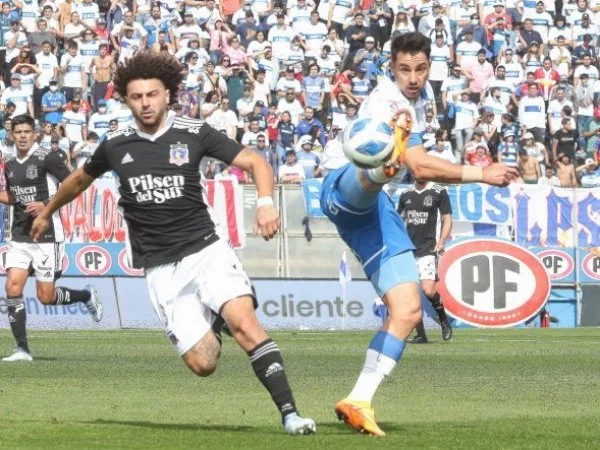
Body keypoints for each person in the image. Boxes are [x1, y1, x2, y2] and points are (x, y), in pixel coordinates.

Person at [30, 53, 315, 435]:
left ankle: (291, 415)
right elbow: (79, 180)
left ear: (167, 95)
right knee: (203, 364)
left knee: (246, 325)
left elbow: (256, 162)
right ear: (126, 100)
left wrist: (265, 204)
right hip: (160, 267)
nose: (145, 103)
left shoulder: (194, 132)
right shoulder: (115, 144)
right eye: (136, 97)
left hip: (206, 250)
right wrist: (48, 211)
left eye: (152, 94)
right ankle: (215, 317)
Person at [320, 32, 517, 436]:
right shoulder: (389, 101)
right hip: (342, 185)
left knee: (408, 310)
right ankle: (378, 168)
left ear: (430, 68)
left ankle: (358, 400)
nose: (413, 77)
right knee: (377, 171)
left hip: (374, 211)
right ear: (392, 69)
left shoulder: (418, 102)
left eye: (420, 69)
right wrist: (481, 173)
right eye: (404, 69)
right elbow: (422, 168)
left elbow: (420, 161)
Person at [0, 114, 102, 362]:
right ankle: (22, 350)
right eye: (18, 132)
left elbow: (74, 185)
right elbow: (13, 197)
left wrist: (45, 204)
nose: (22, 136)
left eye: (27, 131)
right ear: (11, 135)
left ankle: (85, 296)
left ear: (35, 134)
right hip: (19, 235)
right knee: (12, 286)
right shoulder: (10, 163)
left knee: (46, 297)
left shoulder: (48, 157)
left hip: (47, 236)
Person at [397, 180, 453, 343]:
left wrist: (441, 241)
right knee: (410, 295)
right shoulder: (405, 193)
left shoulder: (438, 191)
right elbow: (397, 220)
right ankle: (421, 334)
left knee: (428, 290)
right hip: (409, 250)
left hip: (429, 248)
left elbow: (447, 218)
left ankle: (444, 321)